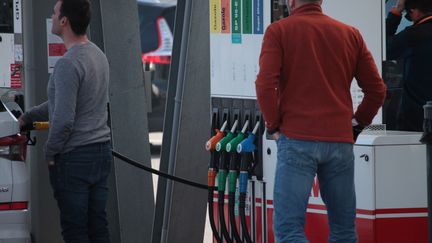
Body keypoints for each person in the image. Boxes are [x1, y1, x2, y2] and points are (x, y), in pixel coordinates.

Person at [255, 0, 386, 242]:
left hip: (296, 139)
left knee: (289, 229)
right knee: (344, 231)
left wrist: (273, 125)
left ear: (291, 1)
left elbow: (265, 86)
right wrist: (357, 125)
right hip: (340, 142)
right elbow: (377, 90)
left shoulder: (279, 31)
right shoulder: (350, 34)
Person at [19, 0, 112, 242]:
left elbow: (63, 120)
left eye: (55, 11)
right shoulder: (98, 55)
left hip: (75, 158)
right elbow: (63, 104)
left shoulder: (68, 64)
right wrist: (29, 116)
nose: (51, 14)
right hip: (100, 152)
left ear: (64, 21)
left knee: (75, 231)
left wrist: (49, 153)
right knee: (98, 226)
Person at [387, 0, 432, 131]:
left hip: (417, 117)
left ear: (414, 11)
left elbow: (382, 47)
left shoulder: (413, 34)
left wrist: (396, 12)